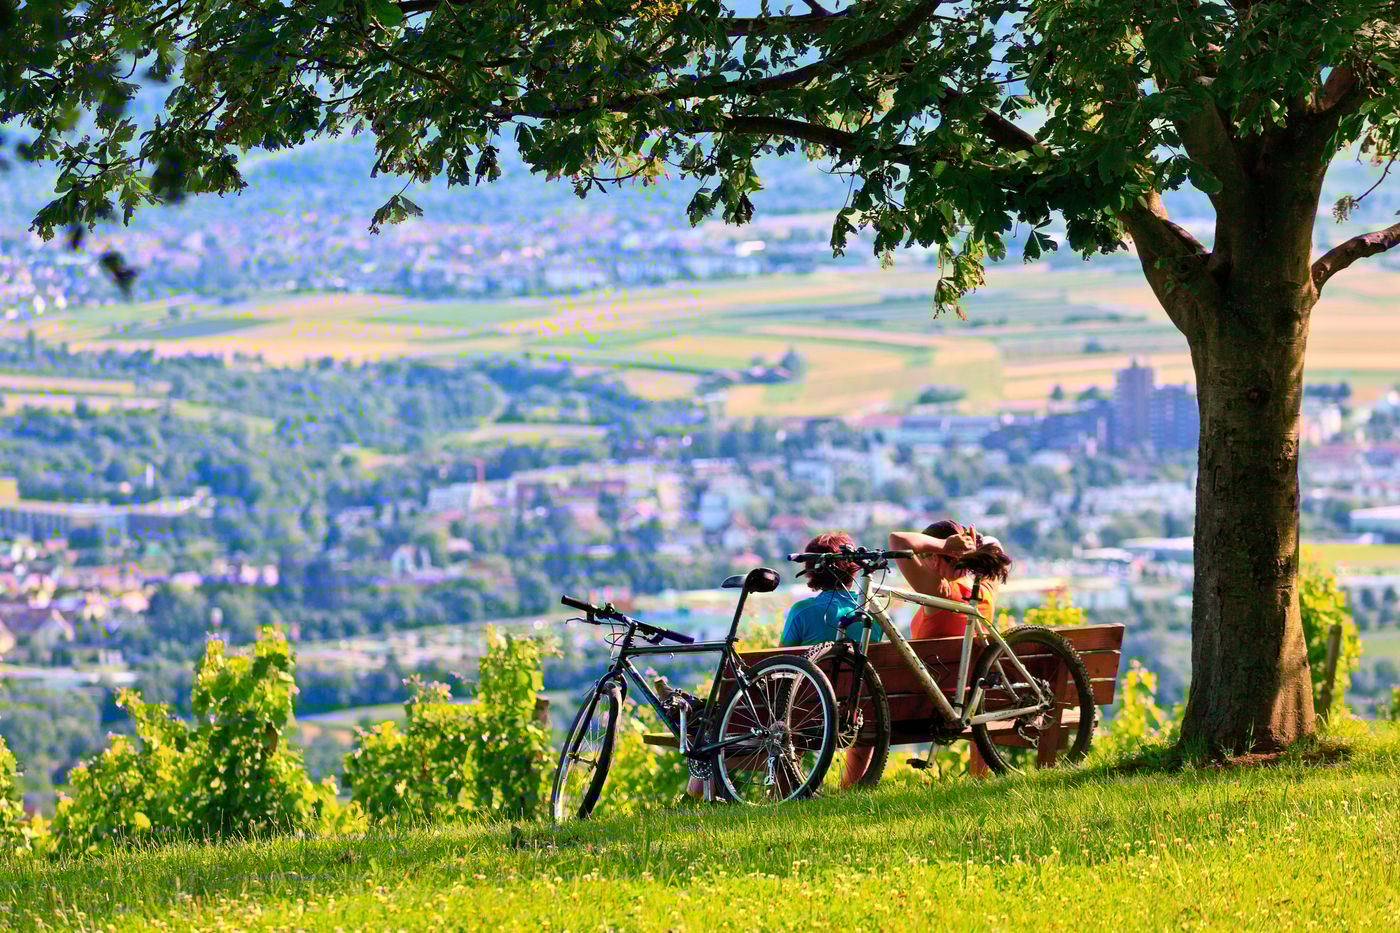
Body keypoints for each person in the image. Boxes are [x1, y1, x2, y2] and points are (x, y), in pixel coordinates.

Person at [781, 530, 884, 789]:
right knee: (862, 703)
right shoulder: (873, 613)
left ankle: (784, 790)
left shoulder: (801, 612)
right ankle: (852, 788)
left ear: (811, 571)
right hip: (863, 711)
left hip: (807, 712)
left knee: (793, 711)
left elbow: (782, 665)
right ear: (853, 569)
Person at [888, 520, 1013, 639]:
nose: (919, 560)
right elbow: (994, 544)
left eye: (920, 554)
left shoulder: (940, 593)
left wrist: (943, 545)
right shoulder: (986, 589)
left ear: (935, 558)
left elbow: (897, 541)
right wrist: (974, 545)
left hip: (933, 661)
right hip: (975, 661)